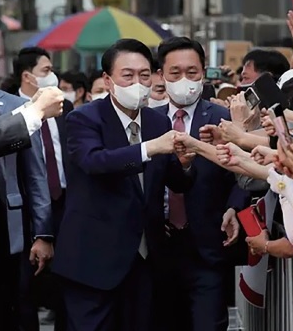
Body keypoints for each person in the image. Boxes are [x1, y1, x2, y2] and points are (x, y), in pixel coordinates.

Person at [51, 39, 196, 331]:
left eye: (144, 75)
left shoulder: (157, 122)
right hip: (93, 260)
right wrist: (149, 149)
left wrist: (185, 163)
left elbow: (176, 181)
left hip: (145, 258)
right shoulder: (83, 118)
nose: (138, 83)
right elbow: (95, 162)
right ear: (108, 79)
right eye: (127, 75)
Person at [154, 37, 246, 331]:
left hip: (207, 244)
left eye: (192, 73)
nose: (184, 80)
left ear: (203, 72)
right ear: (161, 75)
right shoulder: (147, 122)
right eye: (175, 73)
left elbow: (243, 173)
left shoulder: (222, 119)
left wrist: (234, 207)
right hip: (158, 247)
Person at [0, 17, 54, 331]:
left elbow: (35, 174)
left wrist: (42, 232)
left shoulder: (13, 106)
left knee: (16, 308)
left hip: (9, 225)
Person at [14, 47, 73, 329]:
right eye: (46, 71)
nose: (54, 76)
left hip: (65, 201)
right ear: (28, 77)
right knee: (26, 284)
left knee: (68, 279)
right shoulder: (10, 110)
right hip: (26, 208)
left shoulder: (65, 109)